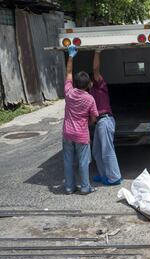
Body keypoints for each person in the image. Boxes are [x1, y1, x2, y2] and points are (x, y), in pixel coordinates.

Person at [63, 45, 98, 195]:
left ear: (76, 83)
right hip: (81, 134)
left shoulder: (69, 93)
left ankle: (69, 187)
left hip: (67, 133)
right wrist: (88, 123)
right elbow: (94, 118)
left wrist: (71, 56)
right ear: (87, 84)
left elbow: (69, 72)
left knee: (68, 161)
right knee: (84, 162)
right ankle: (85, 187)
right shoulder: (90, 99)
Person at [90, 49, 122, 186]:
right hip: (99, 122)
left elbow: (95, 69)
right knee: (96, 150)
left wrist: (97, 52)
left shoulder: (100, 86)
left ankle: (114, 177)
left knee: (107, 150)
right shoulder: (89, 92)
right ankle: (104, 175)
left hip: (105, 120)